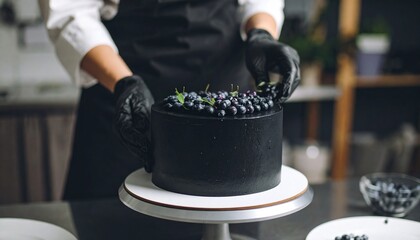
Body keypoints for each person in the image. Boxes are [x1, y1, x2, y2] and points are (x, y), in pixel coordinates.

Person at [38, 0, 300, 200]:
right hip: (124, 103)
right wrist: (123, 82)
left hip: (227, 114)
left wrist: (261, 33)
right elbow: (70, 13)